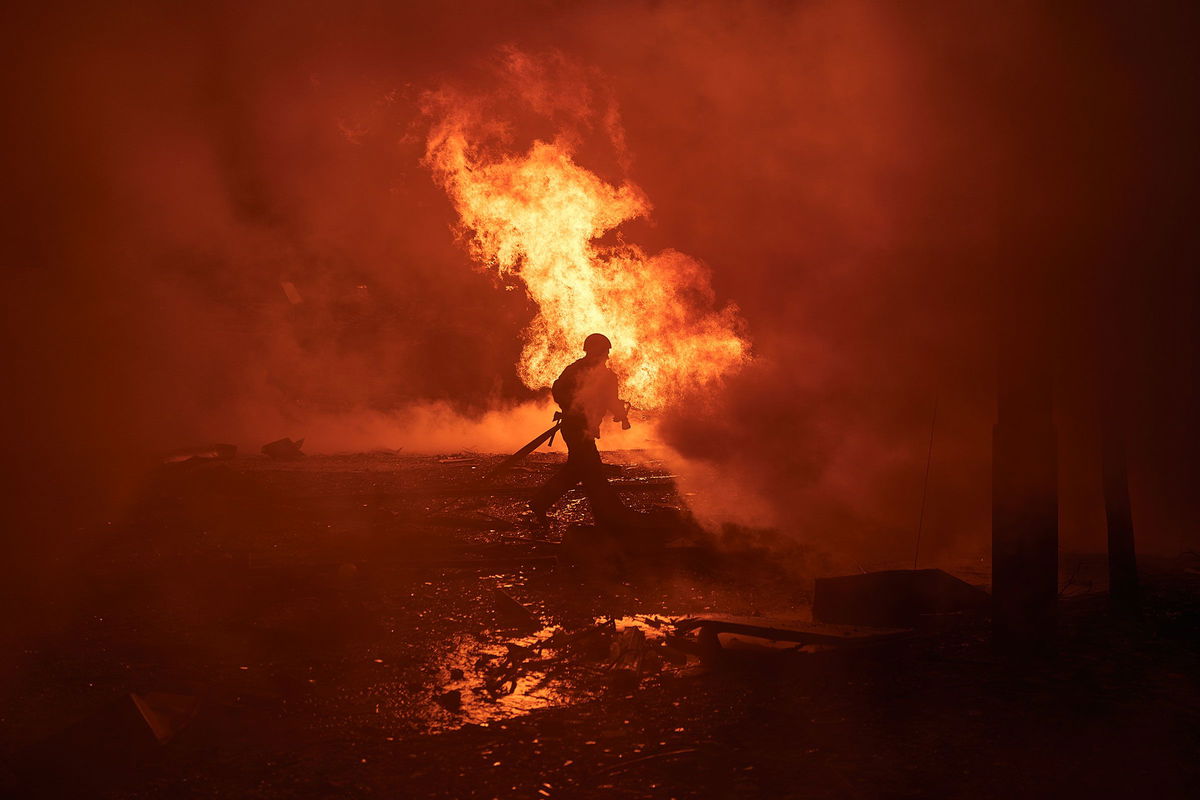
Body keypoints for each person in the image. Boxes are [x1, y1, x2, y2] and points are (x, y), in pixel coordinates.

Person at [530, 333, 630, 527]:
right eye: (605, 352)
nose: (607, 357)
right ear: (596, 352)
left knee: (576, 471)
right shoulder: (592, 374)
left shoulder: (578, 370)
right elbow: (559, 390)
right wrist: (573, 407)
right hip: (577, 429)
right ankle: (607, 516)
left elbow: (608, 400)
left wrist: (620, 414)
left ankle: (540, 503)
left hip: (575, 428)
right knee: (593, 472)